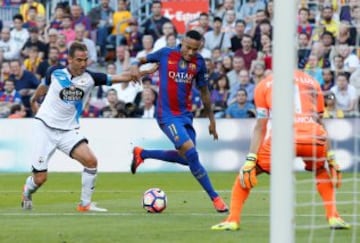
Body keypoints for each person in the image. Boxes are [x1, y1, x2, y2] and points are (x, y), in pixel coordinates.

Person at [21, 41, 156, 212]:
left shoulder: (90, 78)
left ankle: (85, 204)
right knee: (40, 179)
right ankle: (27, 189)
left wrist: (144, 72)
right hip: (45, 127)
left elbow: (120, 77)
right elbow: (43, 87)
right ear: (69, 59)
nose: (83, 64)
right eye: (79, 60)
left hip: (67, 130)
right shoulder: (54, 72)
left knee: (91, 162)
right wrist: (34, 100)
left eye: (85, 60)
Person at [211, 70, 350, 231]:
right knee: (320, 170)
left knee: (247, 173)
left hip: (282, 139)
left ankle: (232, 219)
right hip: (313, 137)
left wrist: (251, 159)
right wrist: (331, 156)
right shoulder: (312, 81)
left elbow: (260, 126)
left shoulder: (264, 84)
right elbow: (320, 121)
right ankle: (334, 217)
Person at [129, 30, 228, 213]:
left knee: (186, 159)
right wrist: (135, 65)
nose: (190, 53)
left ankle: (142, 154)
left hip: (185, 116)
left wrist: (211, 119)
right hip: (167, 116)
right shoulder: (166, 53)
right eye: (188, 48)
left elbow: (204, 92)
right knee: (192, 155)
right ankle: (215, 198)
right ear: (182, 42)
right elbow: (141, 59)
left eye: (195, 50)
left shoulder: (199, 63)